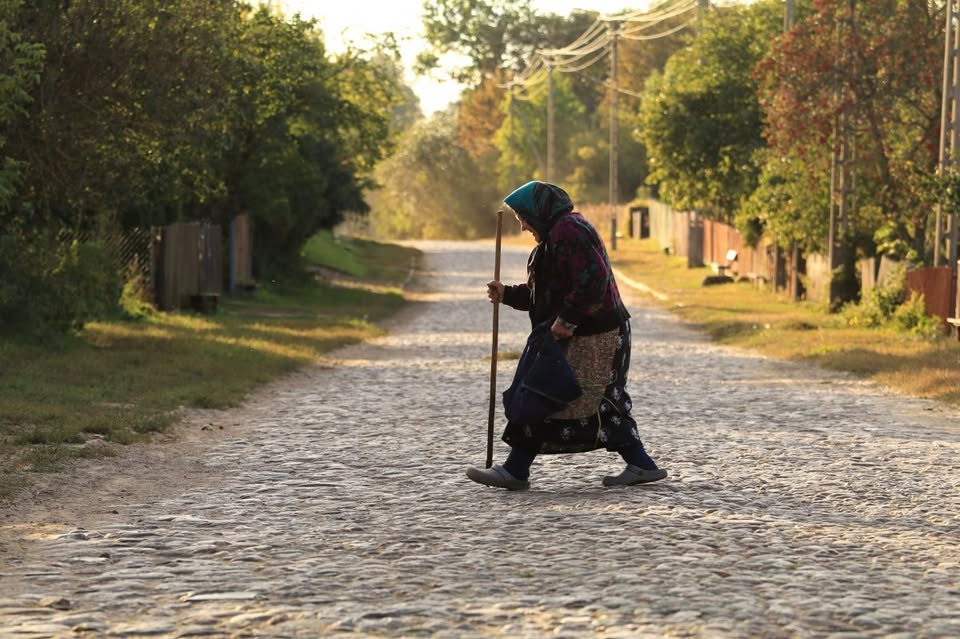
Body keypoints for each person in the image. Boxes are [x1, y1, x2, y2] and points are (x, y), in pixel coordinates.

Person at [466, 180, 667, 490]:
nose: (522, 226)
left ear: (539, 212)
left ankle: (516, 469)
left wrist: (568, 320)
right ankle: (640, 464)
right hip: (586, 333)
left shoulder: (568, 231)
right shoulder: (554, 235)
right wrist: (506, 294)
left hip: (597, 335)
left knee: (553, 392)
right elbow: (543, 295)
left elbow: (593, 280)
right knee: (571, 395)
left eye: (524, 218)